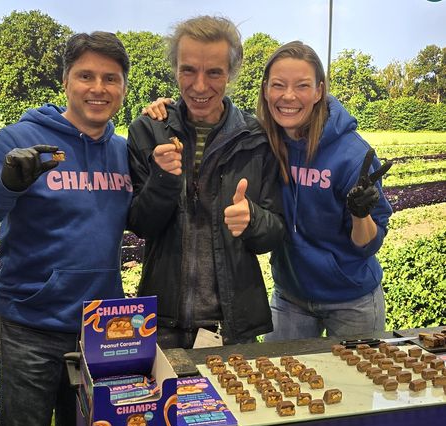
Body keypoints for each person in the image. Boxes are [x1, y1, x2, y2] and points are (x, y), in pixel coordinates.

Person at [0, 32, 131, 426]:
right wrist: (5, 185)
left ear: (124, 87)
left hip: (101, 331)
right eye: (85, 75)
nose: (98, 88)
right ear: (65, 81)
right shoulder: (21, 139)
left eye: (111, 78)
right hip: (29, 325)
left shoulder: (126, 153)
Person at [127, 15, 285, 349]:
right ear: (175, 69)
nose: (200, 86)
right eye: (188, 70)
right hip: (161, 325)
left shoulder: (258, 138)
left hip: (232, 326)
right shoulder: (148, 130)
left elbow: (274, 232)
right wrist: (161, 179)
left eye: (214, 72)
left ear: (231, 73)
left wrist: (253, 220)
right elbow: (141, 224)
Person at [256, 41, 393, 341]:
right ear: (266, 90)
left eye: (302, 85)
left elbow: (368, 244)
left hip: (351, 300)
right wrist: (166, 111)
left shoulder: (353, 155)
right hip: (290, 296)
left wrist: (360, 214)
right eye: (279, 85)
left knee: (355, 386)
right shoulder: (263, 141)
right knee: (279, 384)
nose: (288, 96)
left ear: (319, 91)